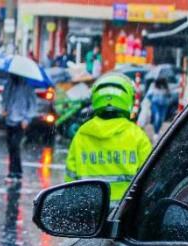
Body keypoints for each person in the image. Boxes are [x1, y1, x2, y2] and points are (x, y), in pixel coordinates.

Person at [65, 73, 152, 203]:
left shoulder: (81, 135)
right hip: (124, 215)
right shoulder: (137, 136)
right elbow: (150, 180)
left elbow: (69, 181)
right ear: (128, 100)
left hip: (90, 213)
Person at [2, 73, 37, 181]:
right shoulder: (8, 84)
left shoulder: (27, 87)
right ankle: (13, 171)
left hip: (20, 121)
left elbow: (32, 104)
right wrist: (4, 108)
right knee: (10, 147)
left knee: (15, 145)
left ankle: (16, 172)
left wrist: (27, 119)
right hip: (9, 120)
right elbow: (5, 98)